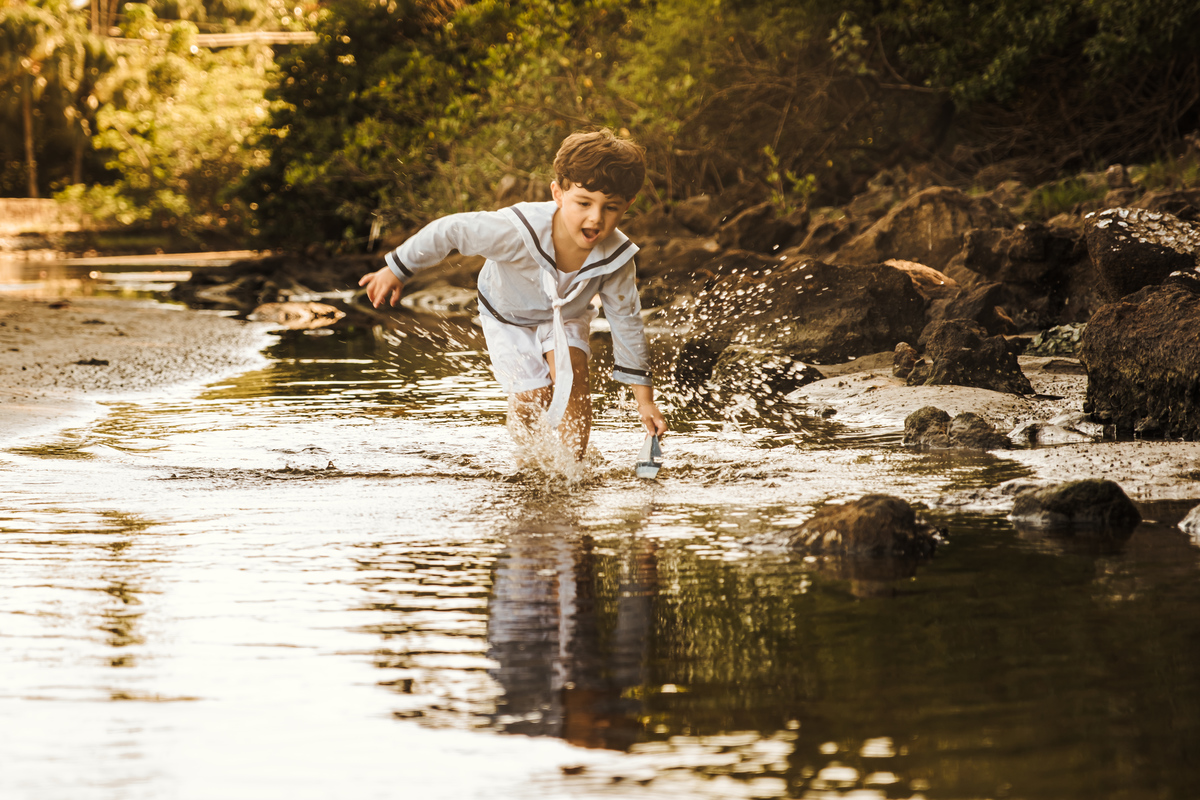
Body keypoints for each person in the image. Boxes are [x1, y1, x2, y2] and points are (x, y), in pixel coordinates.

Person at [357, 128, 668, 460]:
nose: (595, 217)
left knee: (575, 377)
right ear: (558, 193)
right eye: (583, 203)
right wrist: (397, 268)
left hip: (566, 315)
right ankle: (529, 457)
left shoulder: (616, 258)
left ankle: (574, 468)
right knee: (536, 394)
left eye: (611, 207)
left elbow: (626, 323)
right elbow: (451, 231)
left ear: (628, 205)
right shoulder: (516, 230)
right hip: (507, 315)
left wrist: (645, 401)